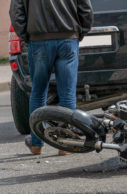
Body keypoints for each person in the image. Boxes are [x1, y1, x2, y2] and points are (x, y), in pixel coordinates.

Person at [9, 0, 93, 155]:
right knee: (67, 93)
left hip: (39, 40)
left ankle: (36, 144)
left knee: (38, 92)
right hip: (68, 38)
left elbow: (16, 12)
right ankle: (65, 145)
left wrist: (27, 35)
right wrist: (81, 32)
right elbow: (86, 9)